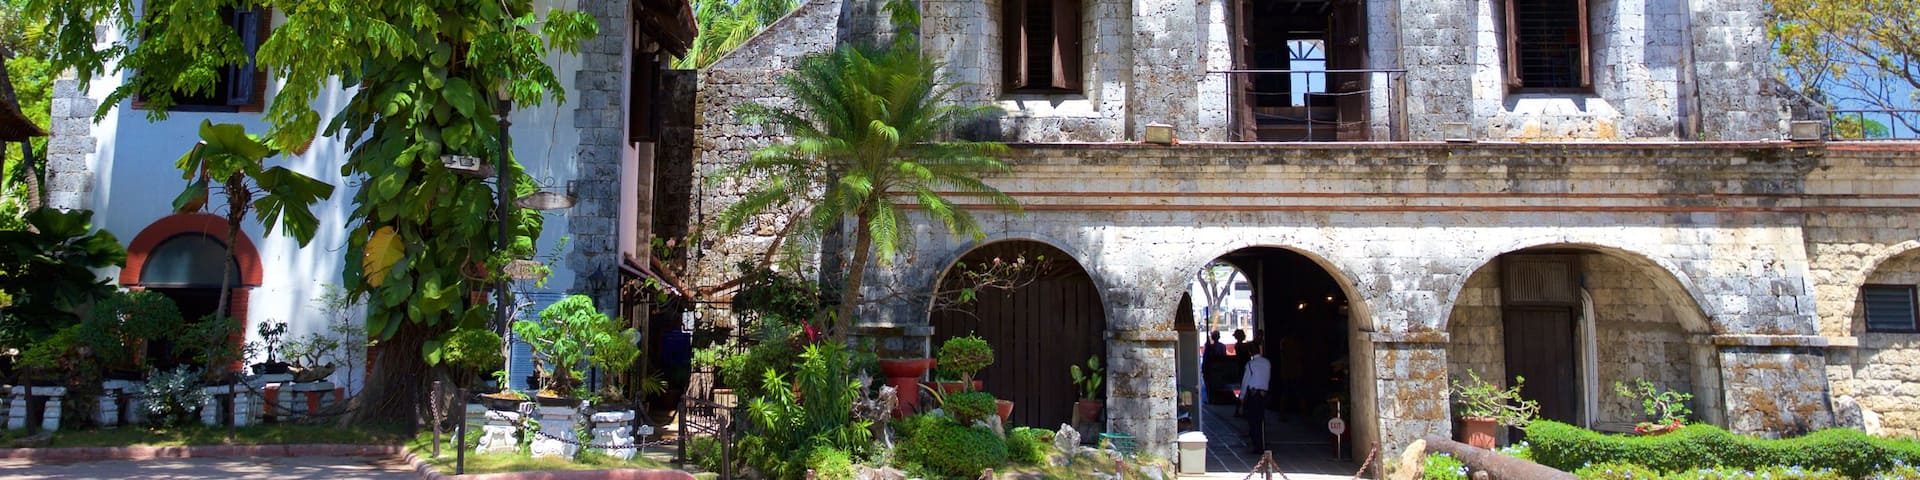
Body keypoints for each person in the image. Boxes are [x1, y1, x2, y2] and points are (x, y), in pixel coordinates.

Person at [1240, 341, 1271, 454]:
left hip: (1253, 394)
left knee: (1253, 420)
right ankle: (1262, 443)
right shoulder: (1267, 363)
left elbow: (1245, 382)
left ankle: (1257, 445)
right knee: (1260, 419)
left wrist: (1242, 396)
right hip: (1264, 393)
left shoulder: (1250, 364)